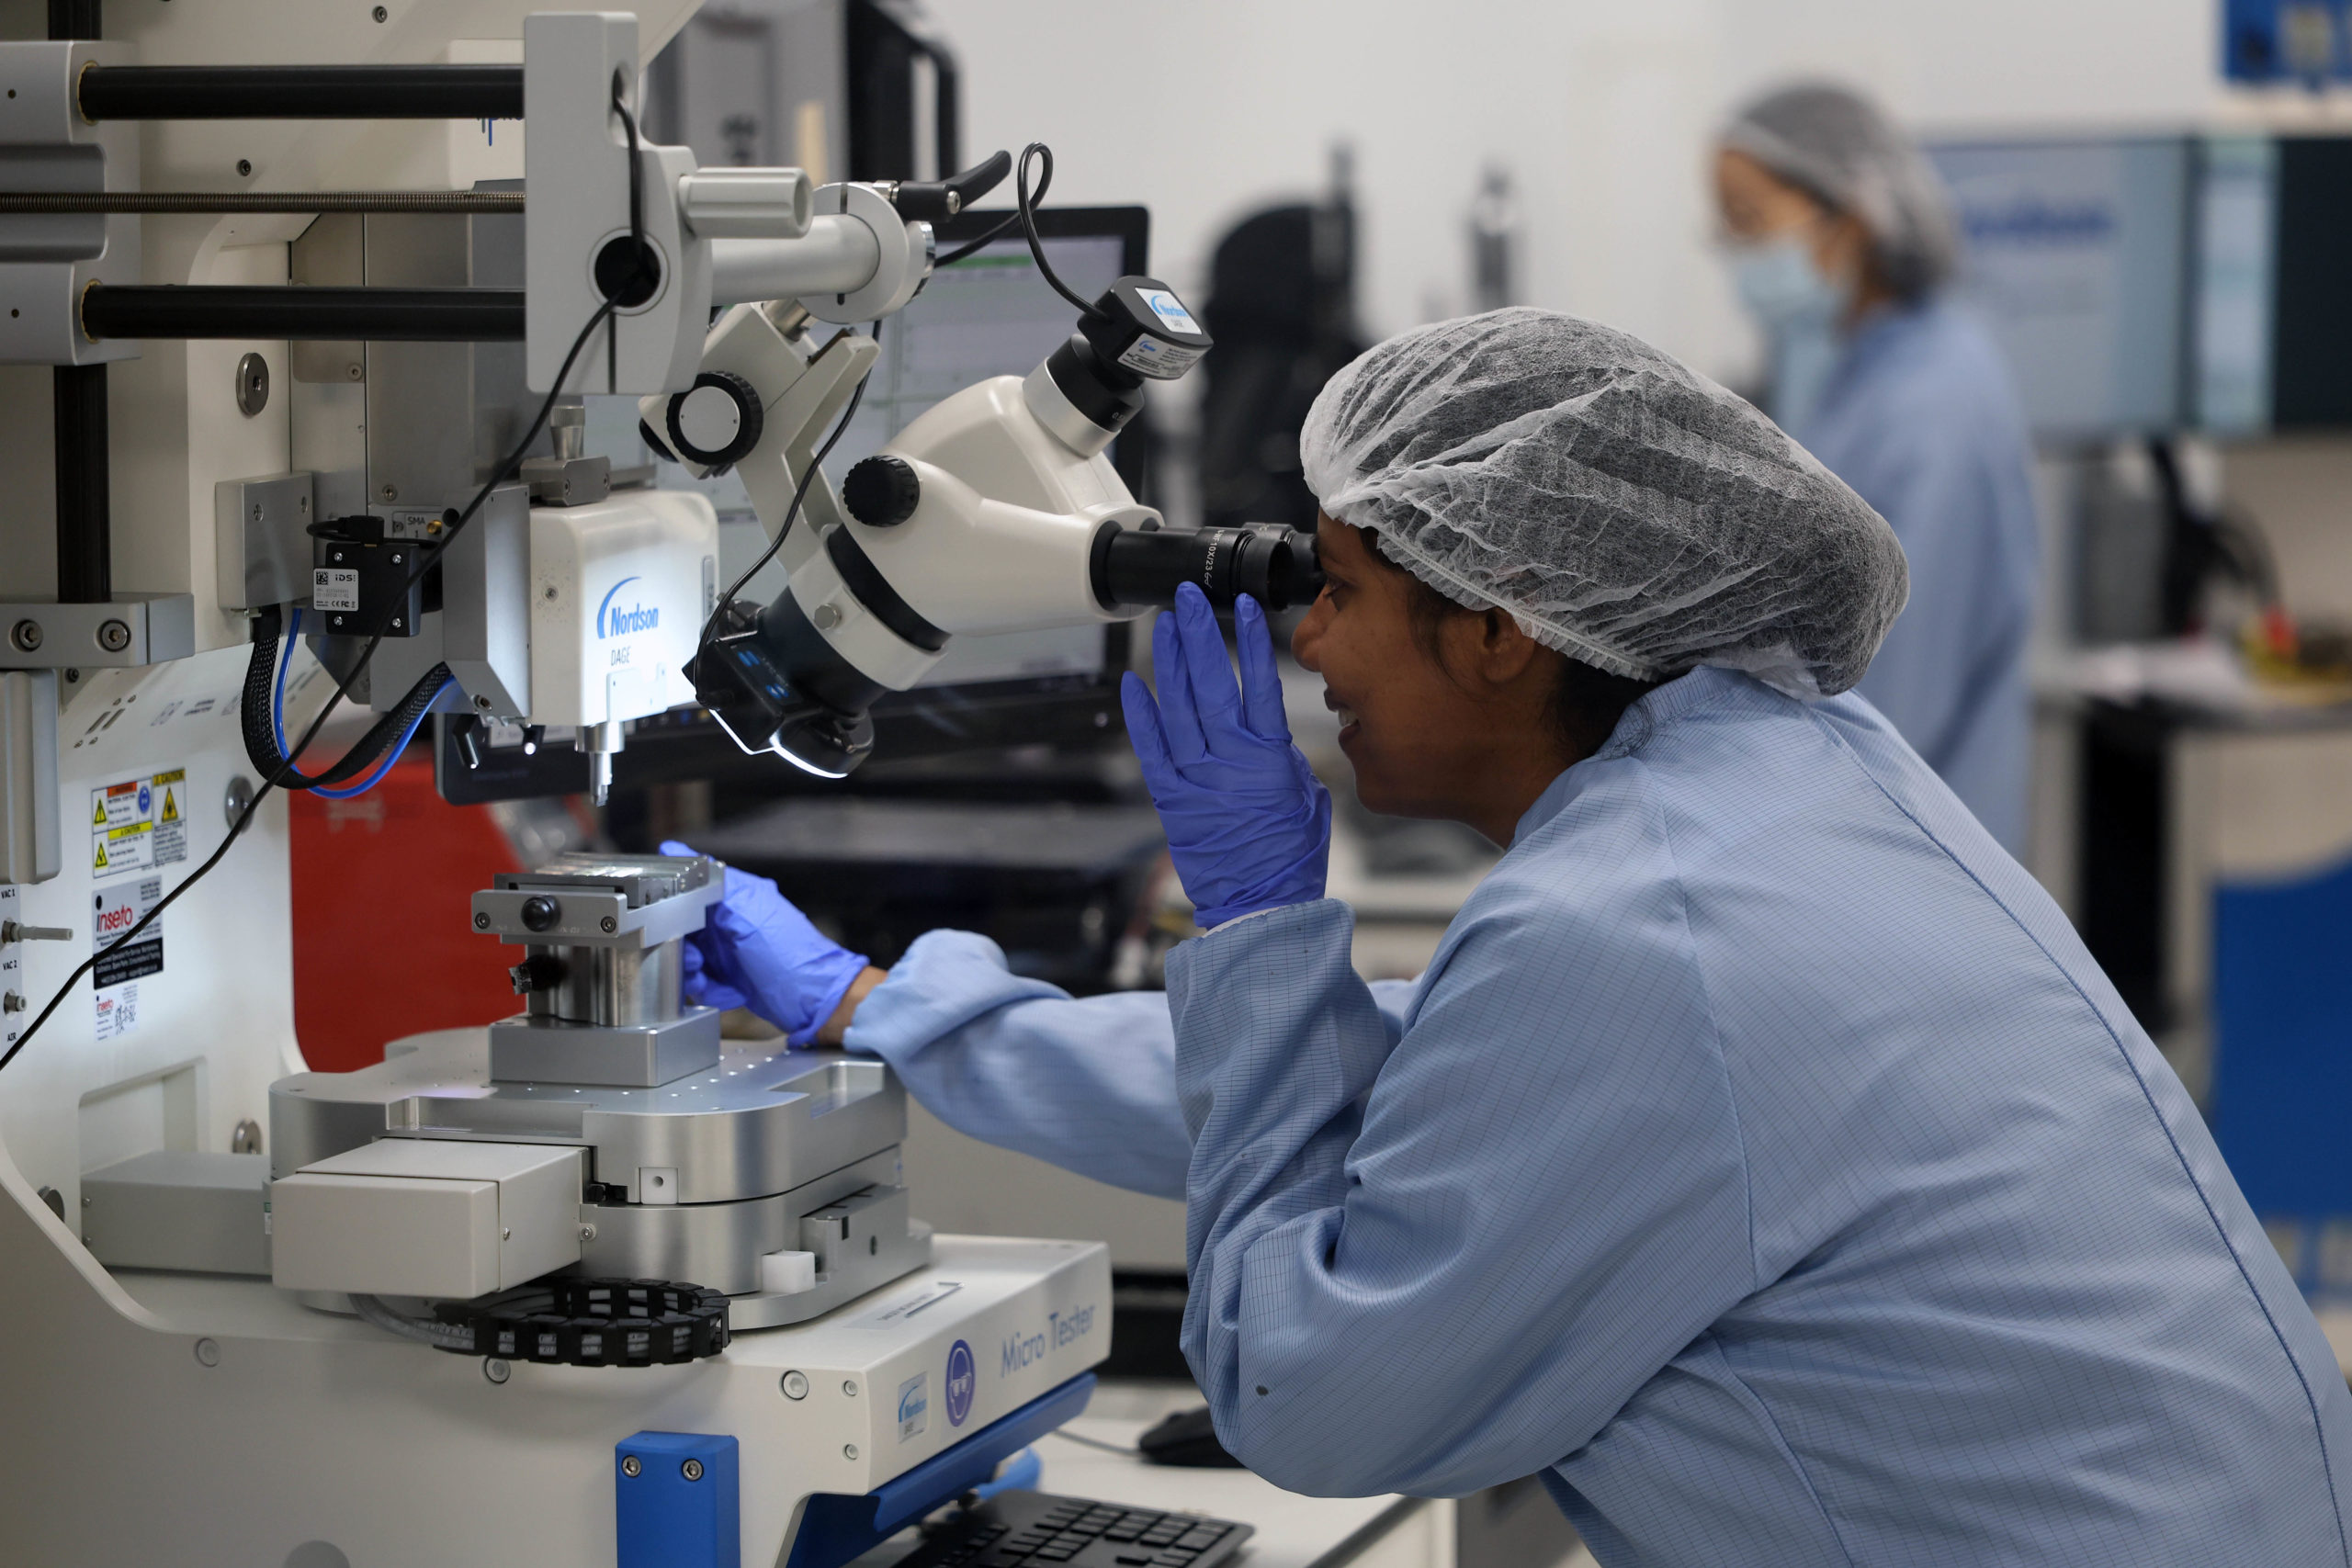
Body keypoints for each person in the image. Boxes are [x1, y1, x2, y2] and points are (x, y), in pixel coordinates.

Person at [672, 310, 2351, 1565]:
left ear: (1494, 628)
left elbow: (1310, 1402)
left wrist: (1263, 923)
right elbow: (1427, 1078)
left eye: (1336, 588)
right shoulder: (1774, 783)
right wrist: (891, 1006)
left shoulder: (1639, 933)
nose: (1307, 638)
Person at [1716, 83, 2041, 854]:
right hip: (1869, 837)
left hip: (1917, 854)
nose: (1738, 256)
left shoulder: (1935, 405)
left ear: (1850, 215)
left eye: (1752, 223)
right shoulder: (1859, 372)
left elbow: (1891, 698)